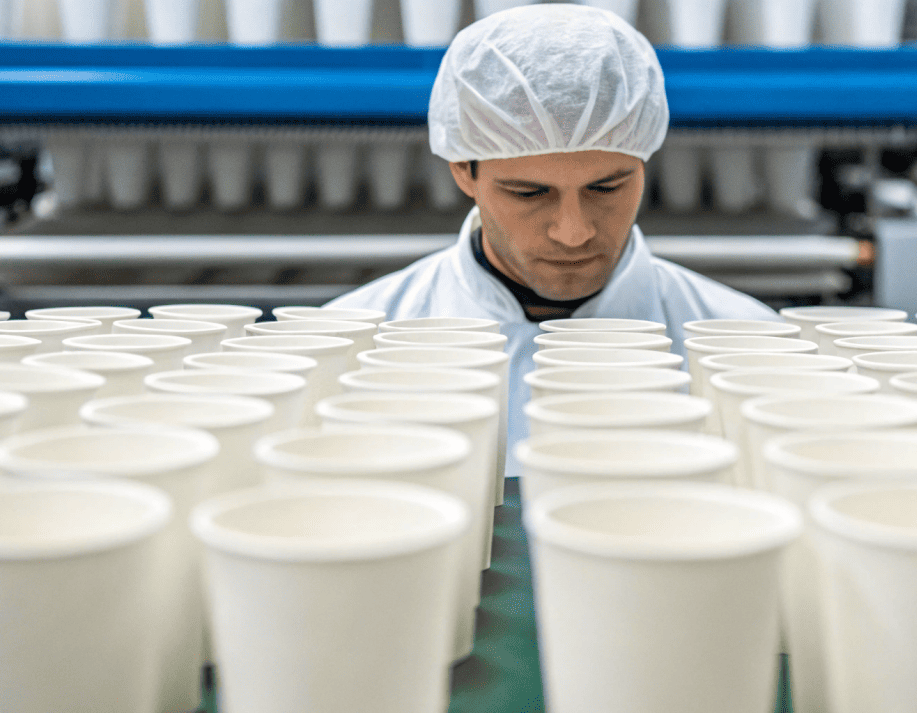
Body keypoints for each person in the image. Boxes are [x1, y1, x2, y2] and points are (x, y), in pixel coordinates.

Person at [329, 4, 780, 476]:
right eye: (530, 193)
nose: (574, 231)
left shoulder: (749, 350)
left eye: (606, 188)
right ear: (463, 170)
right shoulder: (354, 349)